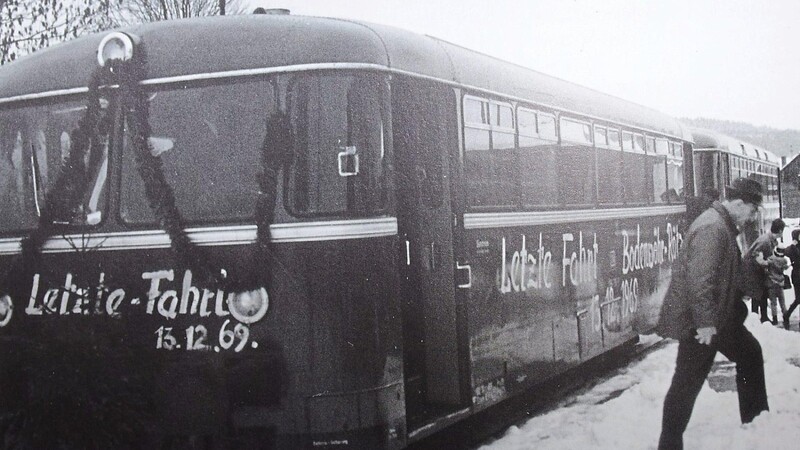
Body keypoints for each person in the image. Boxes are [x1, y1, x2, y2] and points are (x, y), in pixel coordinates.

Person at [656, 178, 769, 450]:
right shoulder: (712, 228)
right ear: (740, 204)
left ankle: (755, 422)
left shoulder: (724, 225)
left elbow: (729, 273)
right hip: (702, 322)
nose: (754, 217)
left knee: (750, 353)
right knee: (686, 383)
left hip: (719, 317)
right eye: (753, 210)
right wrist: (705, 324)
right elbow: (701, 281)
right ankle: (669, 445)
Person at [743, 218, 786, 322]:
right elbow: (754, 255)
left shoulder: (770, 240)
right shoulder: (765, 241)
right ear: (780, 231)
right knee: (757, 295)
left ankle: (764, 317)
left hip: (760, 272)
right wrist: (767, 263)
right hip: (754, 272)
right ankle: (755, 320)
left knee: (763, 295)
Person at [765, 244, 790, 326]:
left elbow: (766, 268)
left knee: (773, 303)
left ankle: (775, 319)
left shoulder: (771, 259)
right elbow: (785, 268)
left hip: (771, 283)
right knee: (782, 302)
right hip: (780, 283)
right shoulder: (784, 260)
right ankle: (786, 318)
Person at [784, 229, 800, 329]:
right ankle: (787, 315)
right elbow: (784, 253)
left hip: (797, 275)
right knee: (798, 299)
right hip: (797, 276)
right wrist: (794, 246)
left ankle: (787, 315)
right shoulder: (791, 248)